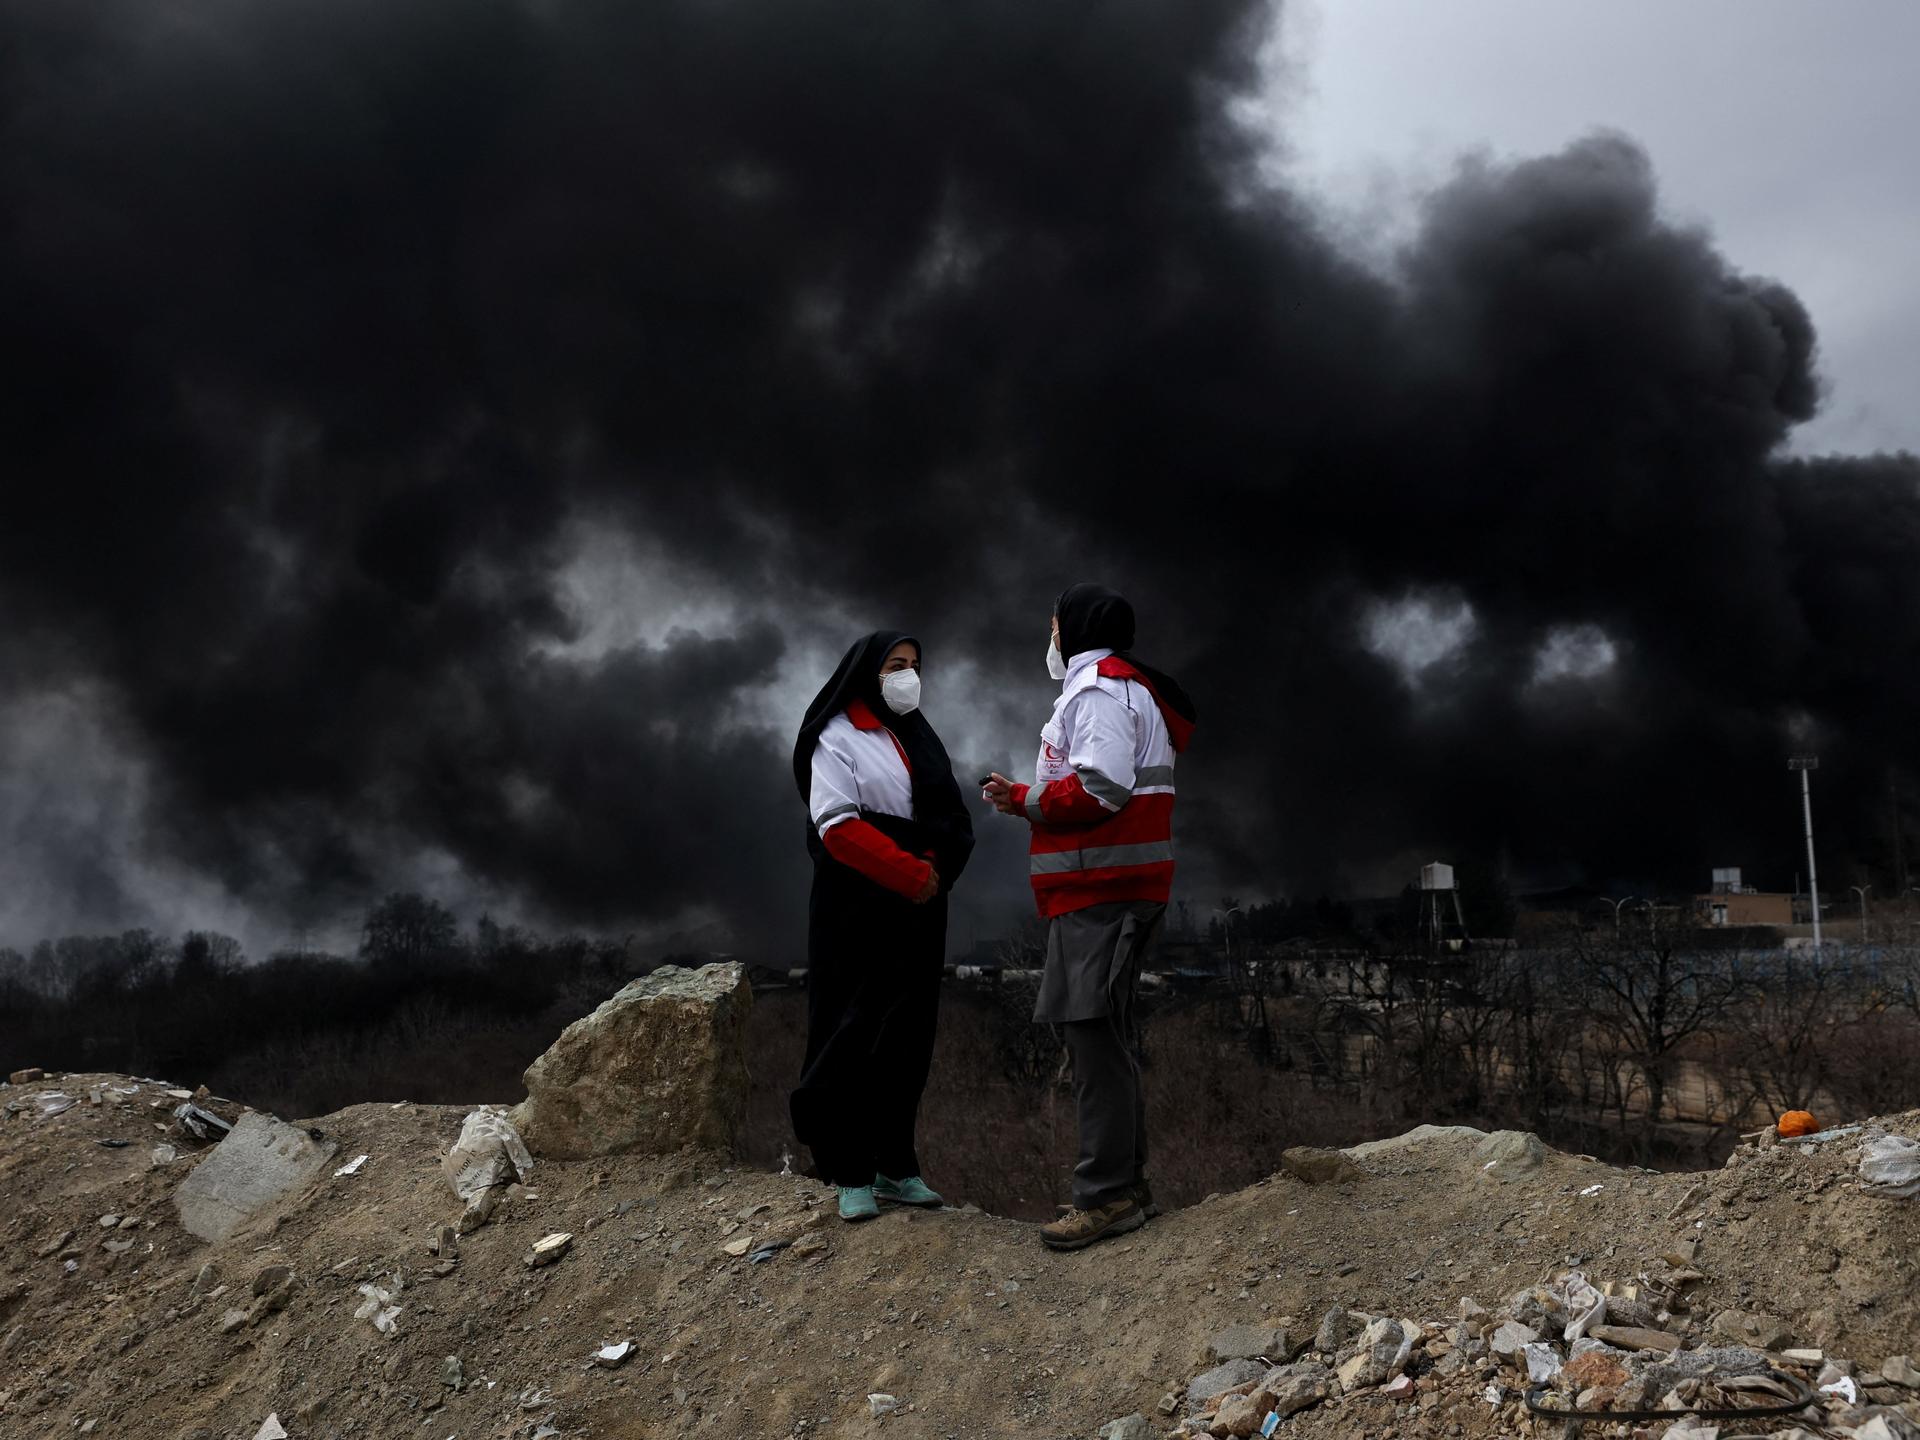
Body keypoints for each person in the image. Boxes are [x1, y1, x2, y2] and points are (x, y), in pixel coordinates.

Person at [983, 584, 1195, 1250]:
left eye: (1052, 622)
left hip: (1101, 894)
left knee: (1092, 1041)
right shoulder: (1119, 686)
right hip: (1108, 890)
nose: (1048, 634)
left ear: (1072, 628)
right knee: (1105, 1040)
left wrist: (1025, 799)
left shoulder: (1098, 689)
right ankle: (1124, 1187)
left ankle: (1105, 1198)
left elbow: (1102, 786)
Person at [790, 631, 975, 1223]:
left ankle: (897, 1164)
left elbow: (946, 818)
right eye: (896, 665)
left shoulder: (917, 734)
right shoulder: (835, 736)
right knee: (851, 1031)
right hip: (856, 905)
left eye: (915, 665)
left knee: (908, 1034)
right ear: (867, 672)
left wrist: (934, 871)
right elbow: (837, 825)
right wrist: (907, 873)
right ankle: (849, 1172)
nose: (908, 676)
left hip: (920, 903)